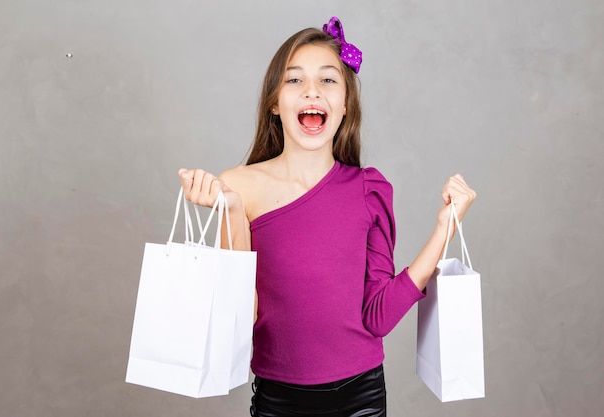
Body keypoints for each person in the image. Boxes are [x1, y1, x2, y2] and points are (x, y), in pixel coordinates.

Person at [178, 16, 476, 417]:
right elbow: (239, 320)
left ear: (345, 104)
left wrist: (444, 229)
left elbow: (379, 317)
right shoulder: (237, 188)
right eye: (295, 80)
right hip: (278, 400)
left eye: (328, 80)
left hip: (362, 398)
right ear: (274, 102)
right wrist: (230, 212)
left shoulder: (370, 190)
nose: (312, 91)